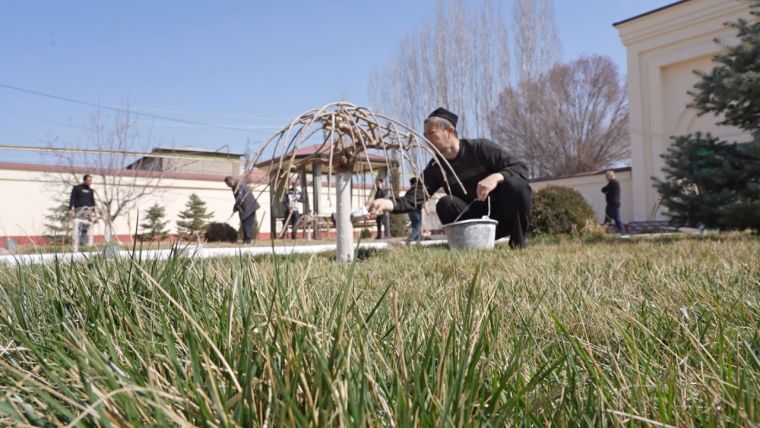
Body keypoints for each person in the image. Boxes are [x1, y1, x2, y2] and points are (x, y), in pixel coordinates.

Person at [367, 107, 532, 249]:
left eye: (432, 133)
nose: (427, 139)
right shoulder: (436, 167)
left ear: (450, 131)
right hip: (474, 222)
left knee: (516, 184)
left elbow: (521, 168)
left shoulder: (480, 148)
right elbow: (415, 197)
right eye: (425, 135)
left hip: (503, 215)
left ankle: (518, 243)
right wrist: (388, 203)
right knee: (445, 203)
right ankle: (466, 246)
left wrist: (496, 176)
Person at [225, 176, 260, 244]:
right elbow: (238, 199)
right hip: (244, 208)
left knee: (247, 223)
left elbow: (240, 198)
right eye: (228, 185)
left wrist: (236, 207)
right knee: (244, 223)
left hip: (249, 207)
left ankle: (247, 240)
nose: (229, 186)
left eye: (229, 184)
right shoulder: (235, 187)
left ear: (231, 181)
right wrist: (236, 207)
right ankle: (246, 239)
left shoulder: (240, 186)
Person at [68, 174, 97, 250]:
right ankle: (75, 246)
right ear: (84, 180)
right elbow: (72, 198)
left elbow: (92, 201)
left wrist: (94, 212)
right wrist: (70, 208)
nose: (90, 182)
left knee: (88, 227)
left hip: (89, 211)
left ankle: (86, 245)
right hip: (79, 210)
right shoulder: (77, 188)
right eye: (88, 180)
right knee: (78, 226)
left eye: (91, 180)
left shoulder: (91, 191)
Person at [601, 170, 626, 235]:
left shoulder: (614, 182)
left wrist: (606, 192)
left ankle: (622, 232)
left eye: (607, 176)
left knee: (616, 219)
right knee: (608, 219)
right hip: (612, 203)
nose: (606, 178)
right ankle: (604, 232)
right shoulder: (612, 183)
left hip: (613, 204)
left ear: (610, 176)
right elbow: (604, 190)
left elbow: (604, 189)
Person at [407, 177, 423, 242]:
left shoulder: (408, 192)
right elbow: (422, 200)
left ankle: (418, 241)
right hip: (416, 211)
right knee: (417, 227)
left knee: (415, 226)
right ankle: (409, 240)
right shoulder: (417, 191)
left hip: (410, 211)